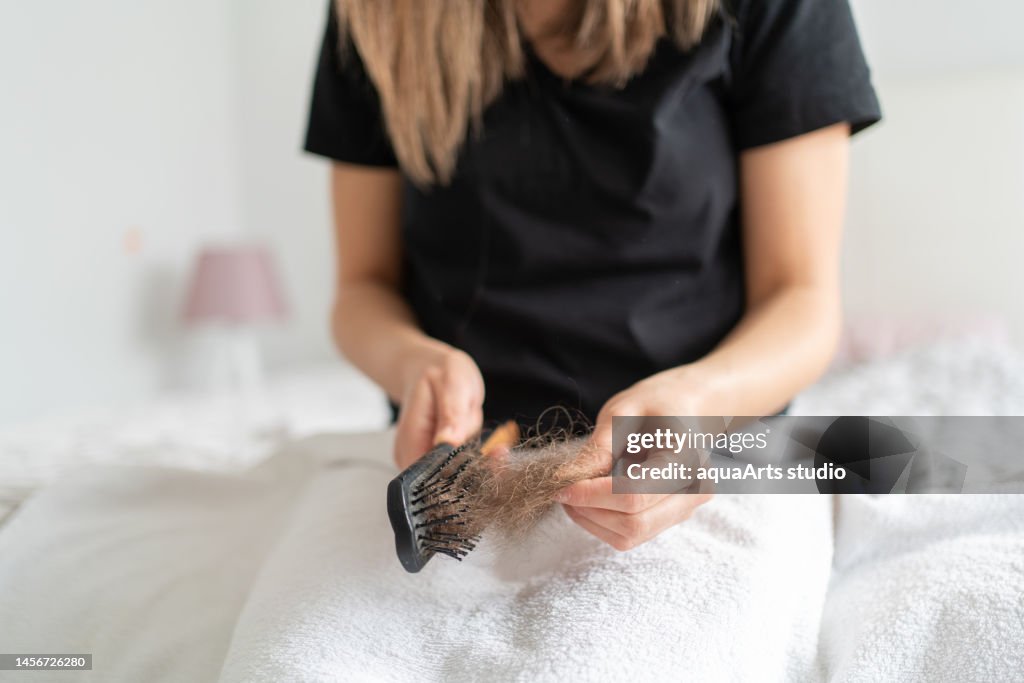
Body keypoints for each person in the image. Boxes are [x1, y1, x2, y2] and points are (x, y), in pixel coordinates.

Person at [304, 0, 880, 551]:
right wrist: (411, 364)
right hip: (457, 480)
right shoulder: (377, 12)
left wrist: (699, 402)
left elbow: (799, 299)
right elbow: (363, 288)